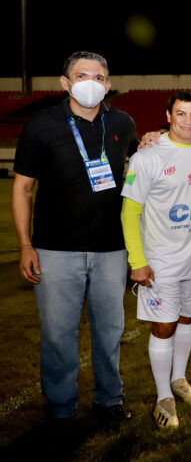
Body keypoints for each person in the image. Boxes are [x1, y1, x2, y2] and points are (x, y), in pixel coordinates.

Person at [12, 51, 137, 425]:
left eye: (99, 77)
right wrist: (24, 244)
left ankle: (109, 400)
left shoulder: (123, 122)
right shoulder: (41, 124)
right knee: (57, 336)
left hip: (112, 250)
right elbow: (23, 189)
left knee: (110, 333)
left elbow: (144, 169)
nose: (91, 82)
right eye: (82, 75)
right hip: (54, 250)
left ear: (108, 85)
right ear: (65, 83)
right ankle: (61, 408)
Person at [120, 91, 191, 428]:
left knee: (188, 319)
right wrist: (137, 261)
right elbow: (129, 213)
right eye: (181, 114)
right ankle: (163, 395)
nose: (188, 121)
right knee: (163, 327)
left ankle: (179, 379)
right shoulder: (148, 155)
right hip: (161, 262)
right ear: (168, 116)